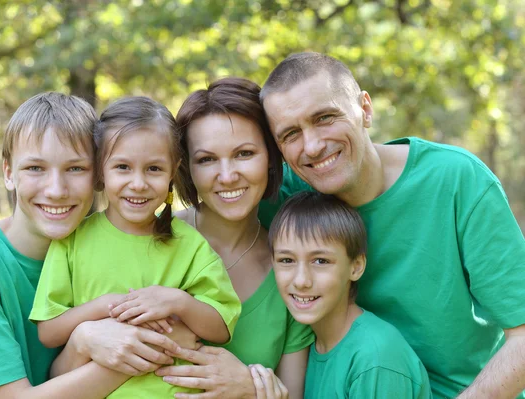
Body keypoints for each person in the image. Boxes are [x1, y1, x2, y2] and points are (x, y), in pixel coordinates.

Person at [258, 52, 525, 399]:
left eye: (325, 117)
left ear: (365, 109)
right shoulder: (292, 199)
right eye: (290, 134)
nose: (312, 146)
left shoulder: (457, 181)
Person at [0, 92, 183, 399]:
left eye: (75, 169)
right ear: (8, 173)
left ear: (99, 174)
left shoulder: (117, 251)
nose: (57, 190)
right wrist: (146, 351)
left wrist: (80, 344)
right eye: (35, 168)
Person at [29, 96, 241, 398]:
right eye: (123, 167)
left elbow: (221, 327)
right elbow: (49, 332)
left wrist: (178, 301)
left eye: (153, 169)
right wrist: (104, 307)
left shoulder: (189, 244)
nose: (138, 183)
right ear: (100, 171)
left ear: (172, 173)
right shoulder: (73, 240)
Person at [154, 77, 314, 399]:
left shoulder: (292, 270)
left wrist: (246, 387)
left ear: (270, 157)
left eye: (244, 153)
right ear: (186, 169)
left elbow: (292, 394)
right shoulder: (150, 237)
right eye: (207, 159)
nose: (227, 176)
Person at [269, 191, 432, 398]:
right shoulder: (305, 345)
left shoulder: (374, 360)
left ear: (356, 267)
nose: (301, 281)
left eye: (320, 261)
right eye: (286, 260)